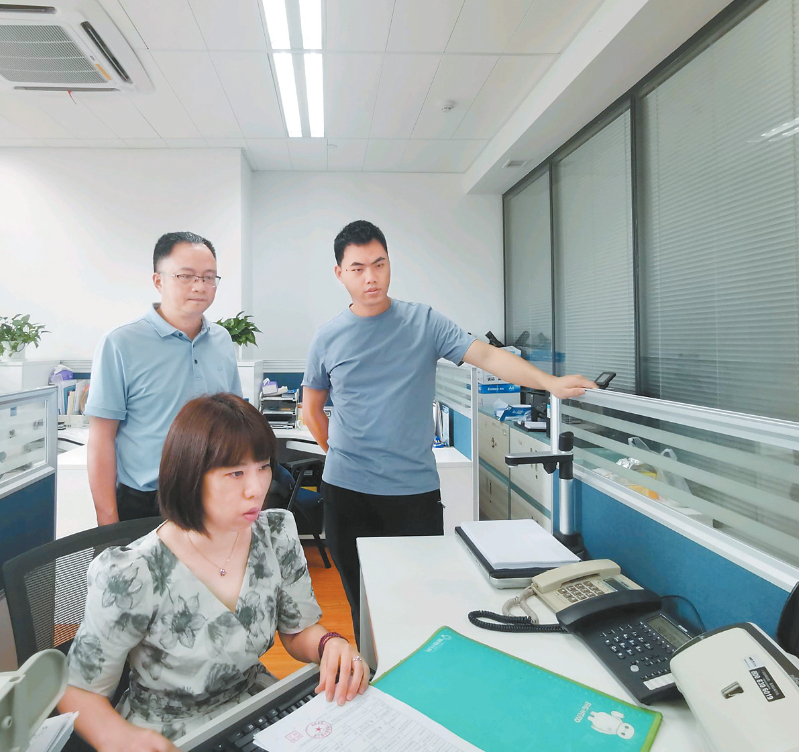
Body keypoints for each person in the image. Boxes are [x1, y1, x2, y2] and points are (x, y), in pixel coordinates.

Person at [302, 219, 597, 641]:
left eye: (379, 264)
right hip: (347, 493)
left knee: (419, 599)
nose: (371, 277)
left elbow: (488, 357)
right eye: (358, 268)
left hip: (413, 492)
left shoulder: (424, 322)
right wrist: (341, 453)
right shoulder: (327, 337)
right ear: (340, 273)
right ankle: (373, 673)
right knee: (361, 602)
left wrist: (549, 383)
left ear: (390, 263)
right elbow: (312, 411)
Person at [58, 393, 368, 751]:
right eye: (236, 473)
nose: (257, 489)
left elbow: (297, 630)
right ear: (190, 476)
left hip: (255, 711)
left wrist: (330, 644)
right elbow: (77, 690)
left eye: (263, 467)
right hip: (167, 735)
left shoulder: (275, 534)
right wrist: (119, 738)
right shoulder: (132, 572)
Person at [85, 231, 242, 525]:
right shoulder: (120, 343)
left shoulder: (222, 340)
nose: (200, 286)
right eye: (186, 276)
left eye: (209, 277)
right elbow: (101, 439)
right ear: (158, 281)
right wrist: (108, 523)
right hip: (147, 503)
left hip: (214, 498)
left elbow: (233, 421)